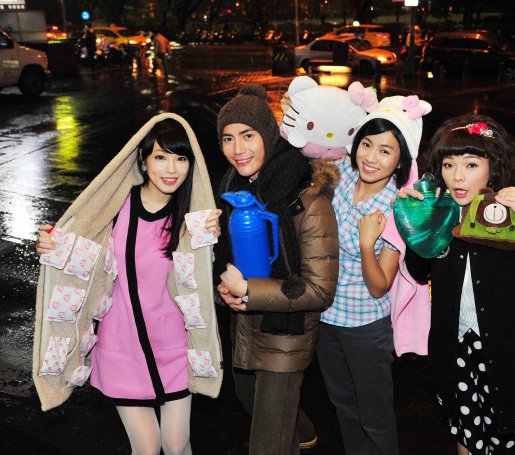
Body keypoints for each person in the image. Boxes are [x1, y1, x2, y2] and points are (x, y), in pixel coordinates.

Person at [34, 114, 223, 455]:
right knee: (147, 447)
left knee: (176, 444)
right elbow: (76, 242)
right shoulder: (116, 205)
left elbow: (210, 282)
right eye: (161, 157)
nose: (171, 169)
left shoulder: (193, 220)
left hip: (173, 348)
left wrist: (214, 241)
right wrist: (50, 244)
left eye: (181, 158)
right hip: (122, 349)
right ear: (143, 160)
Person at [402, 114, 515, 455]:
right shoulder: (442, 212)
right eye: (448, 164)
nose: (457, 176)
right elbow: (418, 271)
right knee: (467, 434)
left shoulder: (513, 212)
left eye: (471, 164)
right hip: (458, 352)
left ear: (493, 167)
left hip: (512, 355)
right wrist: (419, 226)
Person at [215, 84, 340, 454]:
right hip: (245, 327)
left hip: (287, 333)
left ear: (268, 136)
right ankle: (299, 429)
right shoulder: (232, 191)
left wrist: (249, 292)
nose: (238, 149)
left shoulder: (307, 200)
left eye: (248, 136)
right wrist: (225, 288)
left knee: (267, 442)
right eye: (227, 139)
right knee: (250, 401)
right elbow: (229, 261)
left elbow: (319, 290)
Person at [317, 94, 431, 455]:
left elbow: (380, 286)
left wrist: (368, 245)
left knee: (374, 417)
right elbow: (314, 138)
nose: (370, 157)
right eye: (366, 144)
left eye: (385, 151)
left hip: (365, 327)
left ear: (400, 159)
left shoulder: (399, 206)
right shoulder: (341, 175)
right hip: (324, 318)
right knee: (343, 407)